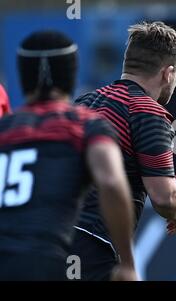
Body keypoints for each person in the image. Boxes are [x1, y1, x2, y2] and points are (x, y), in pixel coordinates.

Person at [0, 30, 137, 281]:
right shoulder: (85, 125)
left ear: (22, 77)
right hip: (44, 263)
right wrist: (127, 263)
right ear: (72, 74)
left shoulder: (5, 129)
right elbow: (110, 182)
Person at [69, 21, 176, 280]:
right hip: (93, 243)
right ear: (168, 73)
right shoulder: (148, 111)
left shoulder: (82, 102)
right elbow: (164, 197)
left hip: (54, 236)